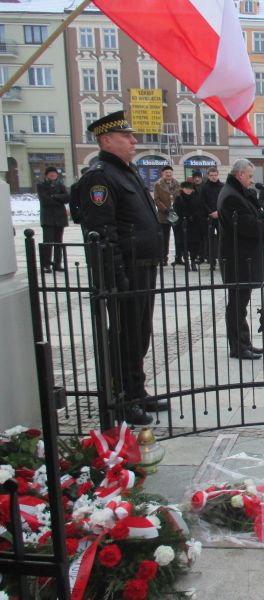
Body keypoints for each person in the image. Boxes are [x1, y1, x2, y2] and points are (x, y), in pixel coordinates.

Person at [79, 111, 166, 425]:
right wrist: (117, 278)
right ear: (106, 140)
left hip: (143, 266)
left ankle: (137, 390)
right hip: (125, 271)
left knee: (139, 334)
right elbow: (103, 233)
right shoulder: (100, 177)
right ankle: (122, 399)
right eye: (126, 136)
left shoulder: (126, 172)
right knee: (123, 337)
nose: (134, 140)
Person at [217, 159, 264, 360]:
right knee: (237, 305)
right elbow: (246, 226)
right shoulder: (231, 196)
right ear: (240, 175)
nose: (252, 180)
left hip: (243, 257)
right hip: (238, 259)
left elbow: (250, 215)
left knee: (240, 304)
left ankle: (244, 342)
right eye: (250, 176)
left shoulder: (237, 192)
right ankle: (238, 346)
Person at [37, 166, 70, 273]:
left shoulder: (61, 185)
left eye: (54, 173)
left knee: (58, 242)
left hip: (60, 218)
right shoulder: (41, 185)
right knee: (47, 242)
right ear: (46, 175)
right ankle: (46, 264)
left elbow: (67, 198)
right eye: (50, 173)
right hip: (48, 218)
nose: (53, 175)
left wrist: (54, 196)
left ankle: (57, 264)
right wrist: (59, 199)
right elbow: (45, 200)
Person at [174, 180, 207, 271]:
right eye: (186, 188)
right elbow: (177, 210)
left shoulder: (196, 198)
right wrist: (185, 216)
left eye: (190, 189)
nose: (188, 190)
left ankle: (193, 261)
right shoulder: (178, 199)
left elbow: (200, 209)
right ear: (182, 189)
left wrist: (194, 216)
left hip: (194, 225)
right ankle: (186, 262)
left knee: (194, 245)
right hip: (183, 225)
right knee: (184, 244)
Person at [153, 165, 180, 265]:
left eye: (170, 173)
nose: (168, 174)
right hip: (164, 215)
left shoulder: (177, 184)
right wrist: (165, 209)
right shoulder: (158, 185)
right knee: (164, 238)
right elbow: (156, 200)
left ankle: (178, 257)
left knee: (178, 237)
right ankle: (163, 258)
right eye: (166, 173)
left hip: (176, 214)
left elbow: (180, 197)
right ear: (163, 174)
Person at [200, 166, 224, 270]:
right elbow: (202, 202)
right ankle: (211, 261)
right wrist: (210, 212)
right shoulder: (204, 187)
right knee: (209, 239)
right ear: (208, 176)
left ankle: (222, 259)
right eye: (211, 175)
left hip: (220, 216)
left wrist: (218, 212)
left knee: (221, 238)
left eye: (215, 175)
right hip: (209, 217)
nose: (214, 177)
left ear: (218, 175)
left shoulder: (222, 186)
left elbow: (224, 200)